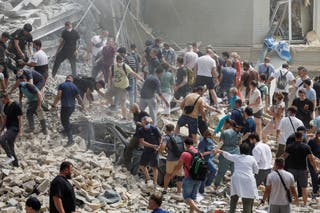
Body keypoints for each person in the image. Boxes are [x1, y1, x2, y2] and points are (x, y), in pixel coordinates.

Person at [215, 143, 259, 213]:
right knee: (247, 200)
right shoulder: (252, 158)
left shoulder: (236, 157)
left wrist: (220, 151)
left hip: (237, 178)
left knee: (234, 199)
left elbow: (228, 155)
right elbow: (256, 170)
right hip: (248, 179)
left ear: (240, 150)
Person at [282, 132, 316, 206]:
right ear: (302, 138)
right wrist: (315, 167)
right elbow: (311, 159)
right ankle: (305, 204)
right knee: (304, 187)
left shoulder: (290, 146)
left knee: (290, 186)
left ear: (295, 137)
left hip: (291, 169)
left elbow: (284, 157)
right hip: (303, 170)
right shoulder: (306, 147)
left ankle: (289, 202)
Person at [170, 137, 203, 213]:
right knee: (193, 198)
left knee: (186, 198)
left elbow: (179, 166)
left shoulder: (185, 154)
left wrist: (173, 174)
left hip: (189, 177)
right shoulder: (199, 153)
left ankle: (198, 210)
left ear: (186, 144)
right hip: (199, 178)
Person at [106, 55, 143, 120]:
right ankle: (113, 105)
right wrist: (109, 83)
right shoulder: (113, 67)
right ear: (116, 61)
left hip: (123, 87)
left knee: (122, 103)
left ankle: (124, 117)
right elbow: (110, 76)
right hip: (115, 86)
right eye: (119, 62)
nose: (120, 63)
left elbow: (133, 73)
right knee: (107, 95)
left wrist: (141, 79)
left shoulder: (125, 66)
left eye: (121, 61)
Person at [52, 75, 84, 147]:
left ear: (66, 78)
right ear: (72, 79)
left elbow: (58, 96)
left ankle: (70, 140)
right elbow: (79, 98)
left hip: (65, 107)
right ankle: (67, 132)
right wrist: (83, 106)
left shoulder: (62, 85)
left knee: (65, 122)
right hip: (72, 108)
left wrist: (53, 105)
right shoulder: (74, 86)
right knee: (66, 121)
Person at [214, 119, 241, 188]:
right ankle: (235, 187)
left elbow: (221, 143)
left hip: (225, 154)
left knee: (221, 172)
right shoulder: (238, 132)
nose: (223, 125)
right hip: (236, 154)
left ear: (228, 124)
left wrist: (215, 150)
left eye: (224, 124)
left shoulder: (225, 132)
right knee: (234, 172)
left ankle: (215, 186)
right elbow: (239, 143)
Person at [159, 124, 184, 194]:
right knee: (179, 175)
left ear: (166, 130)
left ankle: (165, 189)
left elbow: (163, 146)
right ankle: (179, 191)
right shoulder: (179, 136)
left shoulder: (166, 137)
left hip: (171, 159)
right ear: (173, 129)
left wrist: (161, 151)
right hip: (180, 158)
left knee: (168, 174)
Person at [124, 104, 149, 174]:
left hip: (142, 135)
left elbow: (149, 123)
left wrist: (141, 123)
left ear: (136, 109)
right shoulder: (135, 115)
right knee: (129, 147)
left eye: (132, 110)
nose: (131, 111)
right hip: (137, 133)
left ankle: (128, 164)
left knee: (129, 147)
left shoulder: (144, 114)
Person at [0, 92, 22, 167]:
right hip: (9, 128)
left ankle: (9, 156)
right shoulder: (5, 106)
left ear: (7, 98)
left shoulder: (15, 105)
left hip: (14, 128)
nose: (2, 102)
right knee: (10, 146)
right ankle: (16, 165)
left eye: (3, 100)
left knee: (2, 139)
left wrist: (20, 131)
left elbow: (20, 118)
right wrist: (1, 129)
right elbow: (5, 119)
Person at [138, 116, 162, 186]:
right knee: (142, 165)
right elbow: (142, 142)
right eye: (146, 123)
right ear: (142, 123)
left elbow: (160, 138)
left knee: (154, 167)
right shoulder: (140, 130)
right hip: (147, 149)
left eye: (148, 123)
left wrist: (159, 146)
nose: (147, 124)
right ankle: (148, 178)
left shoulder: (154, 129)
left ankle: (155, 182)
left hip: (155, 150)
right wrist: (152, 146)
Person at [307, 130, 320, 196]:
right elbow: (309, 152)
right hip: (312, 161)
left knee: (317, 178)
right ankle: (315, 191)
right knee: (314, 176)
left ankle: (318, 187)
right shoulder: (312, 141)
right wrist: (315, 159)